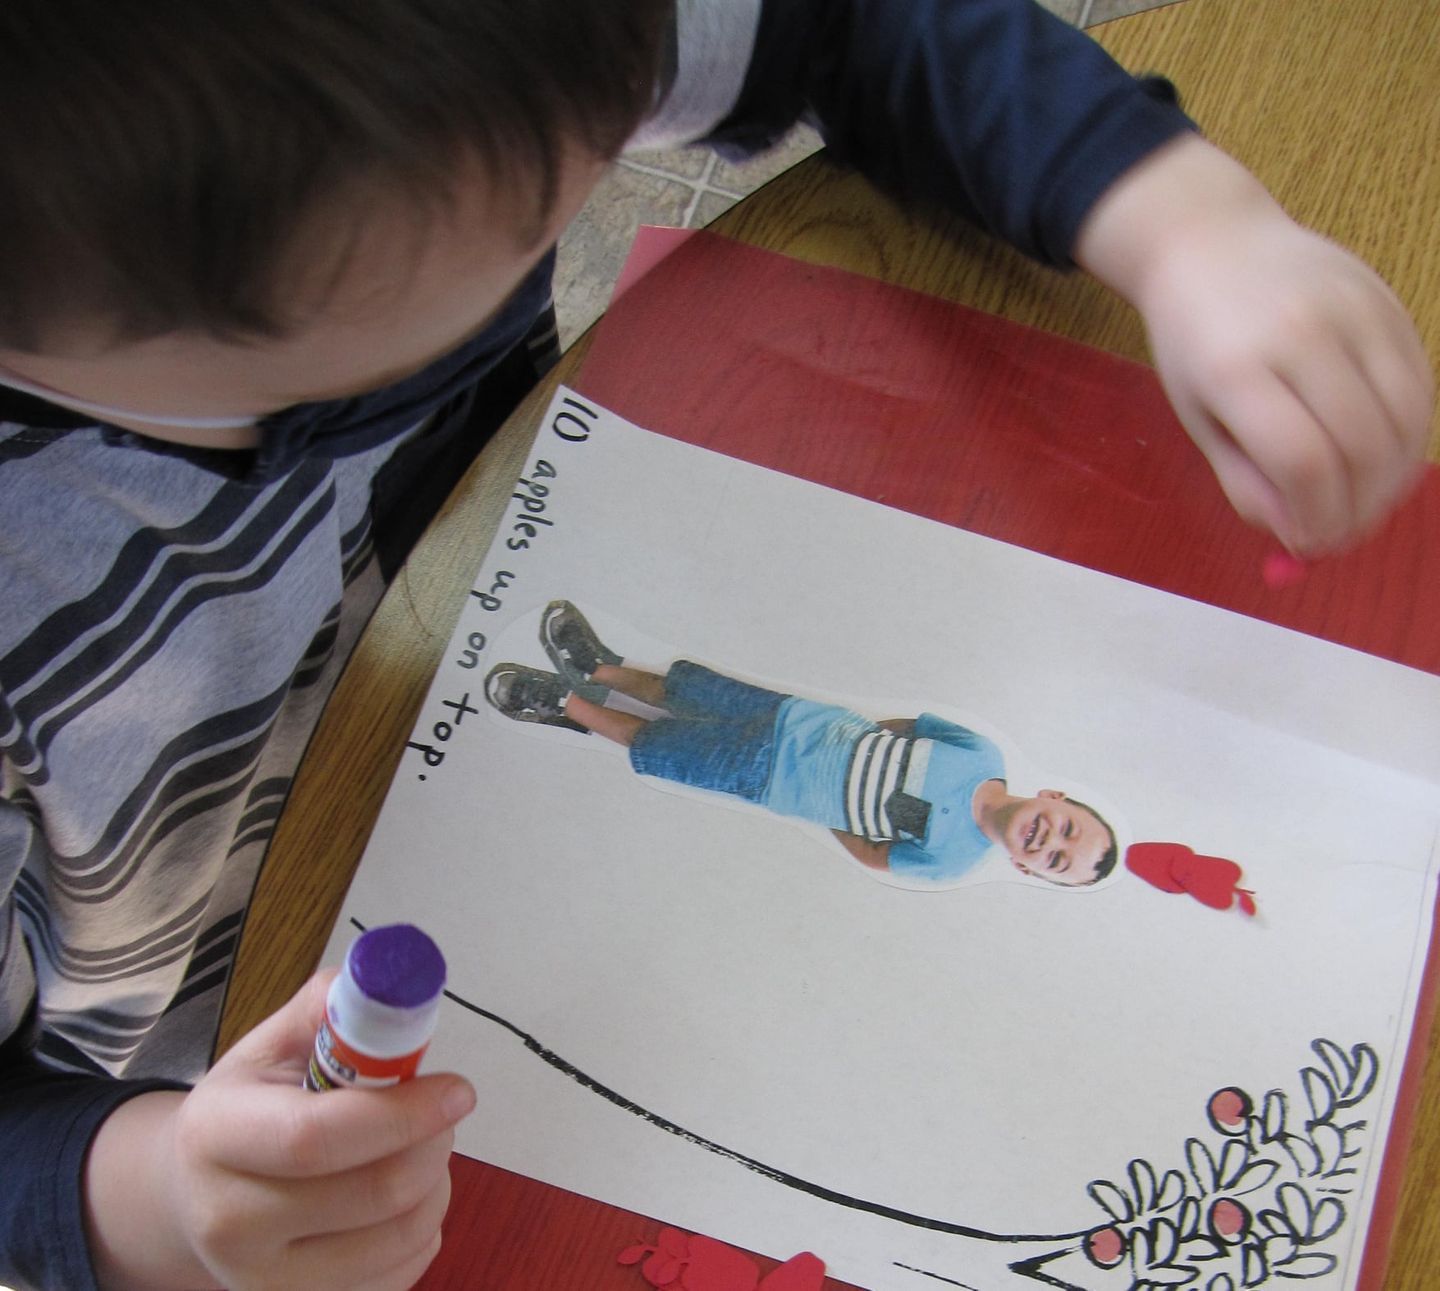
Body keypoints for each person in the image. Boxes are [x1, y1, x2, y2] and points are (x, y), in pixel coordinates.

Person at [0, 2, 1430, 1288]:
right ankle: (565, 698)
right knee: (661, 721)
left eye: (548, 204)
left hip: (619, 676)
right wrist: (141, 1196)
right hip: (234, 1047)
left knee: (677, 705)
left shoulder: (496, 44)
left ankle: (564, 686)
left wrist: (1177, 220)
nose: (534, 255)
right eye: (396, 331)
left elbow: (855, 26)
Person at [486, 602, 1118, 888]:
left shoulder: (952, 861)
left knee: (660, 741)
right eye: (1068, 828)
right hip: (798, 719)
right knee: (685, 690)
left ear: (1027, 869)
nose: (1051, 840)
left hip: (773, 781)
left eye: (1056, 860)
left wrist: (828, 803)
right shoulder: (982, 756)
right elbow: (911, 727)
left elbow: (875, 856)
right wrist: (853, 735)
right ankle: (598, 667)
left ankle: (564, 704)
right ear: (1056, 797)